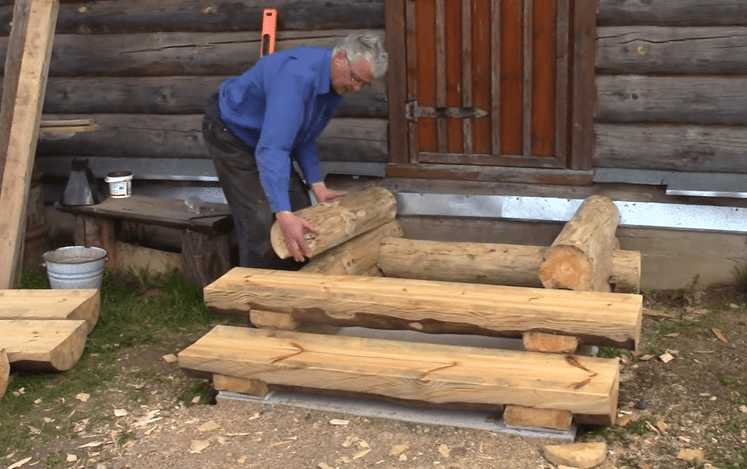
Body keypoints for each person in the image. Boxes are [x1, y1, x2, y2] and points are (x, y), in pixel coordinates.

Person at [202, 32, 388, 269]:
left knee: (301, 209)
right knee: (259, 220)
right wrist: (282, 212)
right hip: (232, 133)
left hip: (268, 139)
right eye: (355, 78)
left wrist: (317, 185)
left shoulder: (335, 86)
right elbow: (273, 149)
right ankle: (254, 289)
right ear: (341, 57)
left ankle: (297, 281)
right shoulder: (296, 76)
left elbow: (305, 136)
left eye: (364, 84)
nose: (356, 87)